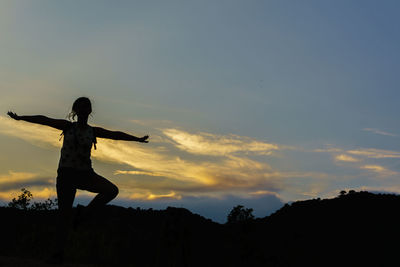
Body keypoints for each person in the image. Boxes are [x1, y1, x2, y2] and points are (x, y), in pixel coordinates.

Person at [7, 96, 149, 263]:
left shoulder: (93, 131)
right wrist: (20, 118)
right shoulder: (67, 126)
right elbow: (43, 120)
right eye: (80, 107)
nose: (83, 110)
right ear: (75, 110)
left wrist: (137, 139)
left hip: (86, 174)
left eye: (86, 107)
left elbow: (115, 135)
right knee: (64, 216)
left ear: (89, 111)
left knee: (111, 190)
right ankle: (57, 254)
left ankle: (83, 214)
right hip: (67, 175)